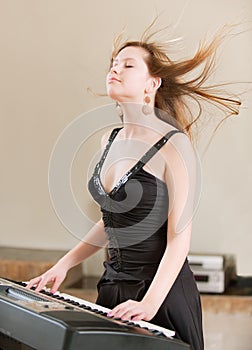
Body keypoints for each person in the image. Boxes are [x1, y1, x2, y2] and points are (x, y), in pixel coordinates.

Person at [27, 23, 241, 350]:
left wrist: (150, 304)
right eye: (113, 63)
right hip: (113, 290)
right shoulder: (108, 140)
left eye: (128, 65)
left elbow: (179, 241)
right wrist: (63, 265)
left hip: (162, 296)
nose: (115, 68)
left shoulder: (174, 145)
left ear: (151, 84)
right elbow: (112, 221)